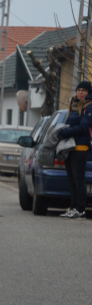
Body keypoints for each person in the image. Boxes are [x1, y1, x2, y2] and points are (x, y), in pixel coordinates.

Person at [57, 81, 92, 219]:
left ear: (88, 92)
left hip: (81, 147)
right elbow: (69, 123)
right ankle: (73, 207)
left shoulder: (89, 107)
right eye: (79, 90)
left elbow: (84, 127)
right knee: (71, 179)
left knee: (78, 179)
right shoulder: (73, 104)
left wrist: (65, 133)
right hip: (70, 147)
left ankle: (81, 209)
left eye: (84, 90)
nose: (80, 92)